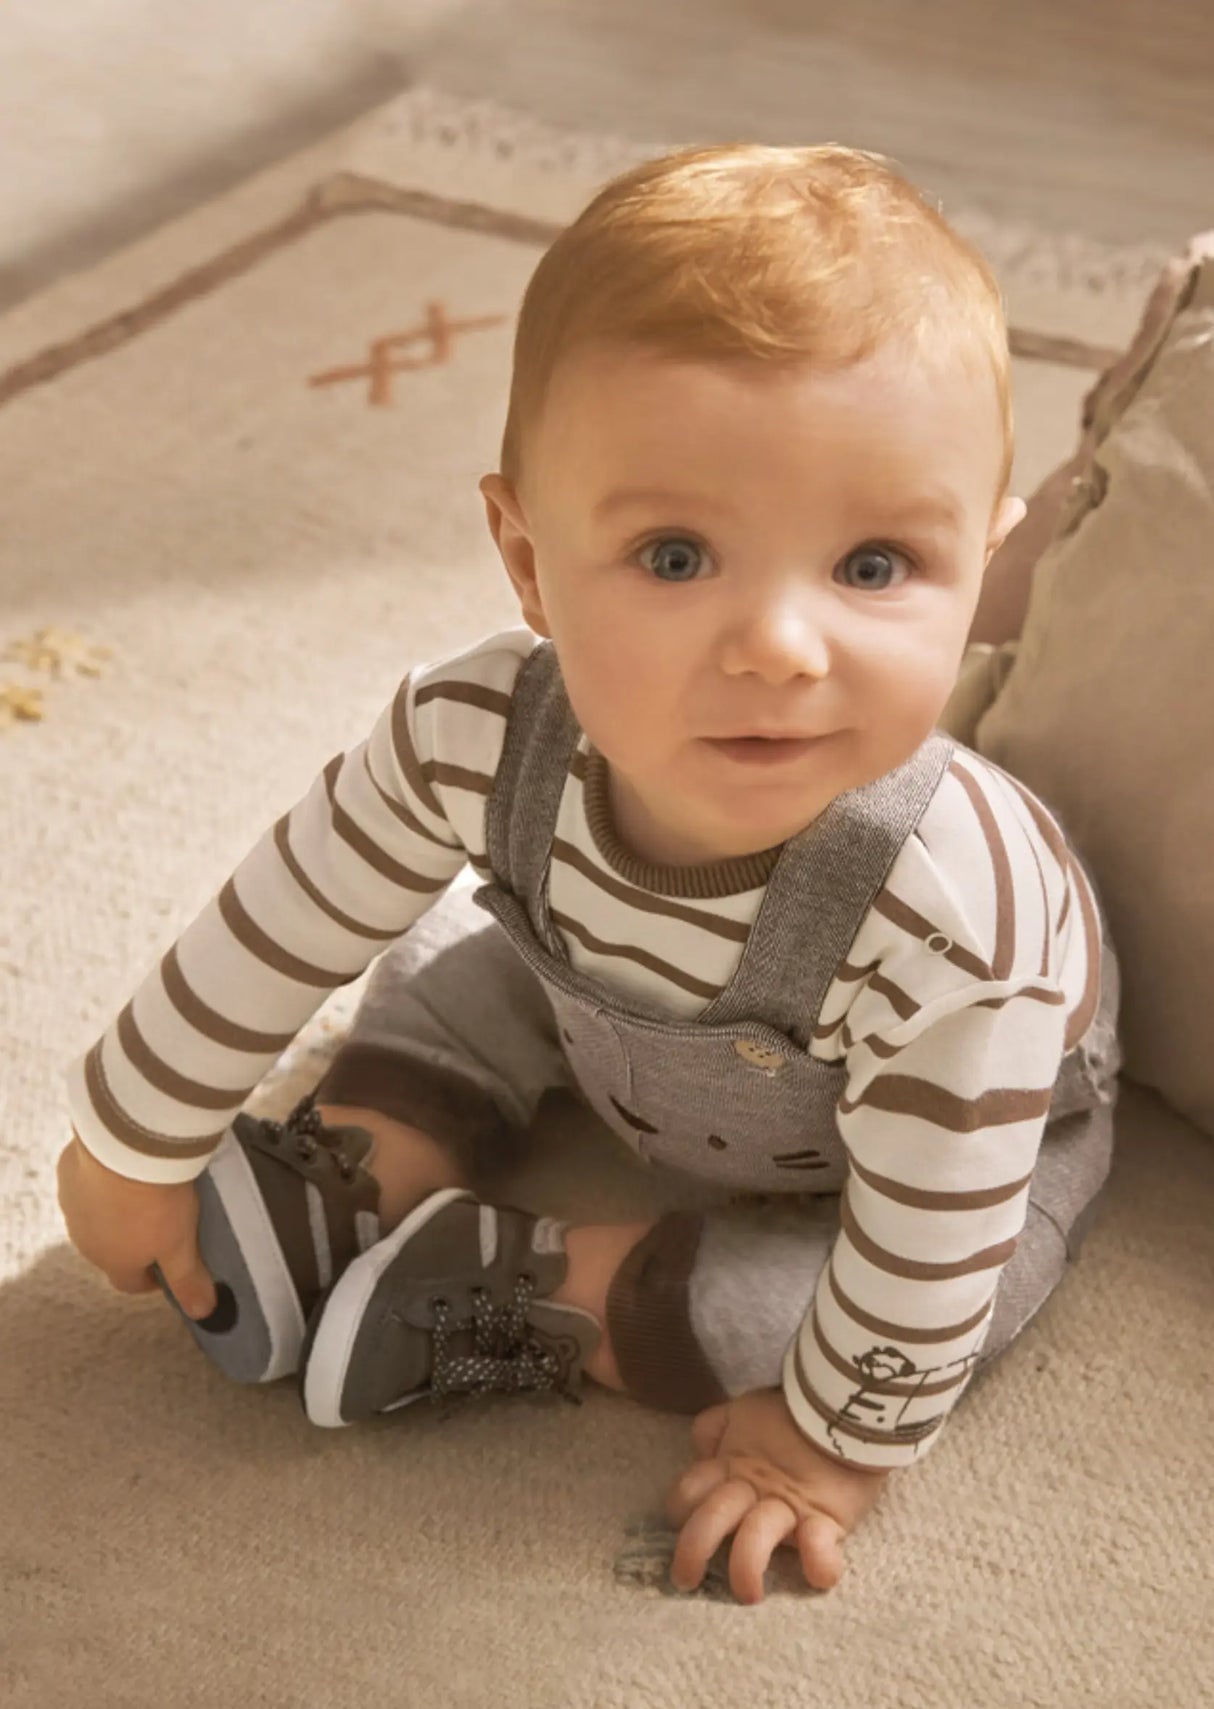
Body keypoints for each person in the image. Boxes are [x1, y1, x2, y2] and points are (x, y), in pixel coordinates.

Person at [56, 141, 1123, 1606]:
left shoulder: (956, 922)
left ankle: (550, 1293)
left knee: (898, 1319)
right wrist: (132, 1146)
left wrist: (829, 1447)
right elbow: (278, 921)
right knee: (455, 962)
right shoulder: (476, 731)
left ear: (982, 569)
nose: (779, 647)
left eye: (874, 566)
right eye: (675, 556)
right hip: (601, 1000)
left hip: (939, 1134)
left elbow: (926, 1253)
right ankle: (365, 1155)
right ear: (526, 557)